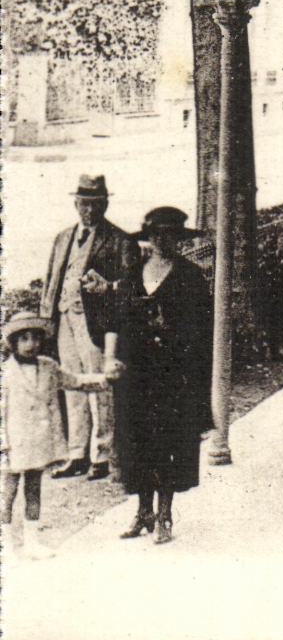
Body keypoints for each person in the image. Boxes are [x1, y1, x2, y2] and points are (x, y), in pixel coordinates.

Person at [116, 207, 214, 545]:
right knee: (138, 441)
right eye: (158, 235)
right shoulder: (133, 274)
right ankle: (143, 511)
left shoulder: (191, 277)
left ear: (179, 239)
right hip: (138, 374)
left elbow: (202, 331)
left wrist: (168, 329)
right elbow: (119, 320)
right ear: (150, 237)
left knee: (167, 443)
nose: (163, 241)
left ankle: (165, 514)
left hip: (173, 374)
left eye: (171, 235)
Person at [40, 174, 140, 481]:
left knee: (100, 386)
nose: (89, 211)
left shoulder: (121, 240)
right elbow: (50, 282)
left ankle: (103, 454)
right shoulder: (62, 238)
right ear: (75, 204)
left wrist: (107, 286)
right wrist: (47, 320)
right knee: (71, 383)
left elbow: (131, 286)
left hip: (97, 323)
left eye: (96, 204)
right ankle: (76, 454)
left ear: (106, 204)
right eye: (84, 204)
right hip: (65, 319)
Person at [2, 313, 117, 559]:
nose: (31, 344)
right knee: (7, 493)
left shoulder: (48, 367)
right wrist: (3, 443)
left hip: (39, 440)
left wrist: (105, 380)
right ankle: (6, 546)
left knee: (33, 489)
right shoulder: (6, 374)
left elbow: (75, 381)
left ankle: (32, 542)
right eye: (24, 338)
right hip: (13, 443)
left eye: (35, 338)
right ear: (13, 343)